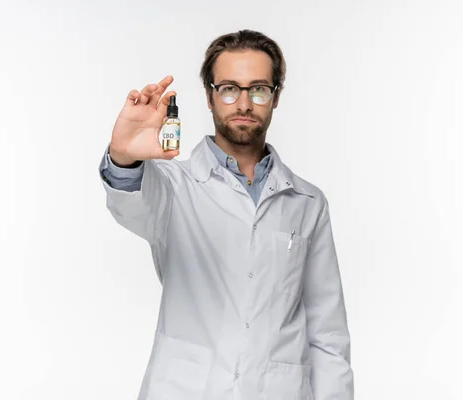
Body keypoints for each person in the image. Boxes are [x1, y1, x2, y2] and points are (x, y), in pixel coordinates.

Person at [98, 29, 354, 400]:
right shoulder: (173, 186)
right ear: (209, 95)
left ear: (275, 97)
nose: (244, 103)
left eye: (259, 89)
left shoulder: (307, 201)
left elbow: (327, 332)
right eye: (230, 88)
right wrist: (125, 157)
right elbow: (132, 204)